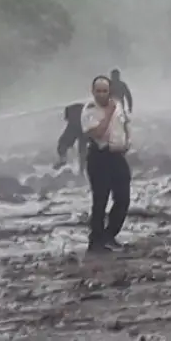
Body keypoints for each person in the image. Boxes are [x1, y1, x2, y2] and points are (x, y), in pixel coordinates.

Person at [81, 75, 132, 253]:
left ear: (109, 91)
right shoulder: (89, 110)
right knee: (100, 200)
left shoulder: (117, 105)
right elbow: (98, 133)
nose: (101, 94)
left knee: (123, 197)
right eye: (98, 91)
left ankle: (110, 235)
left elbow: (125, 123)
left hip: (117, 155)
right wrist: (108, 112)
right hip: (99, 156)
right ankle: (96, 240)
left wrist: (127, 141)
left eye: (104, 91)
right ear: (93, 91)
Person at [55, 101, 87, 173]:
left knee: (64, 142)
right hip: (84, 119)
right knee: (82, 149)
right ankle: (82, 170)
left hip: (79, 117)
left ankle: (63, 160)